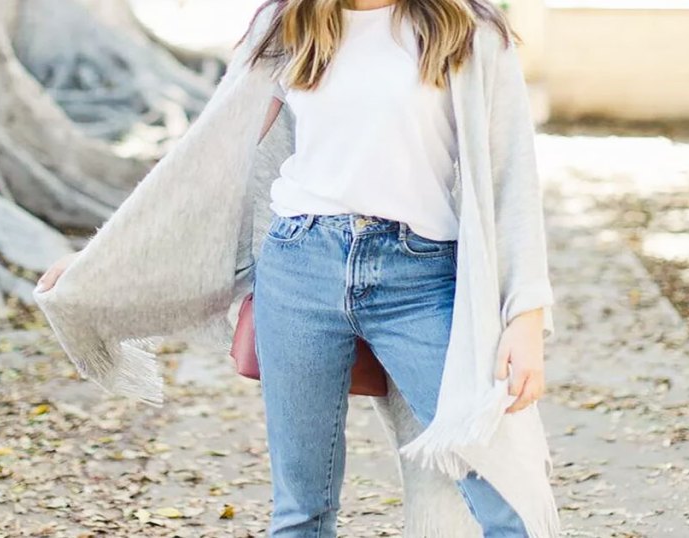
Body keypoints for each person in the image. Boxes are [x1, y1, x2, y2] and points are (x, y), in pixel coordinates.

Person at [36, 1, 553, 536]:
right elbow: (209, 157)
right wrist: (106, 255)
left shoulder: (467, 29)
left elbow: (511, 174)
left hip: (420, 279)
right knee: (300, 511)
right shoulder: (288, 23)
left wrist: (526, 316)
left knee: (502, 492)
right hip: (300, 268)